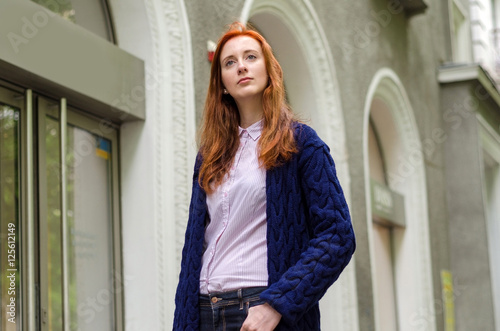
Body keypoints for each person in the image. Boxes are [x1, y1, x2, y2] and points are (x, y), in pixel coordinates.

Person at [173, 22, 355, 331]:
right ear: (221, 84)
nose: (241, 66)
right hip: (204, 312)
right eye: (229, 62)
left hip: (259, 312)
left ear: (269, 70)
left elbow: (337, 236)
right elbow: (194, 249)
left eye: (251, 57)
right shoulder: (209, 154)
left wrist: (278, 304)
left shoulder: (302, 143)